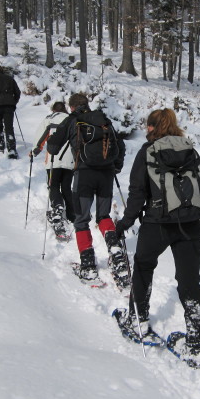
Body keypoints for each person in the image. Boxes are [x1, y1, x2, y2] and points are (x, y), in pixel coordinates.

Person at [113, 108, 200, 365]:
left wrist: (124, 223)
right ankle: (197, 341)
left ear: (153, 127)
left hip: (157, 223)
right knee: (190, 282)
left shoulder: (148, 151)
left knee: (143, 267)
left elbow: (137, 193)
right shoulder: (190, 150)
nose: (146, 130)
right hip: (191, 224)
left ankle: (139, 319)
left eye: (148, 126)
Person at [46, 93, 128, 286]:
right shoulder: (103, 120)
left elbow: (53, 146)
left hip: (84, 175)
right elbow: (120, 145)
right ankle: (116, 253)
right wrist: (115, 166)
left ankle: (89, 267)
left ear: (72, 107)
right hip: (106, 174)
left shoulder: (72, 120)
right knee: (104, 216)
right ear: (87, 105)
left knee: (81, 219)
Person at [29, 101, 75, 239]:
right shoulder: (71, 120)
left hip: (53, 158)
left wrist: (34, 151)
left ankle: (58, 208)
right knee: (66, 187)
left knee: (53, 185)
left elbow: (41, 137)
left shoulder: (49, 119)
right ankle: (72, 216)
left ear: (53, 109)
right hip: (70, 159)